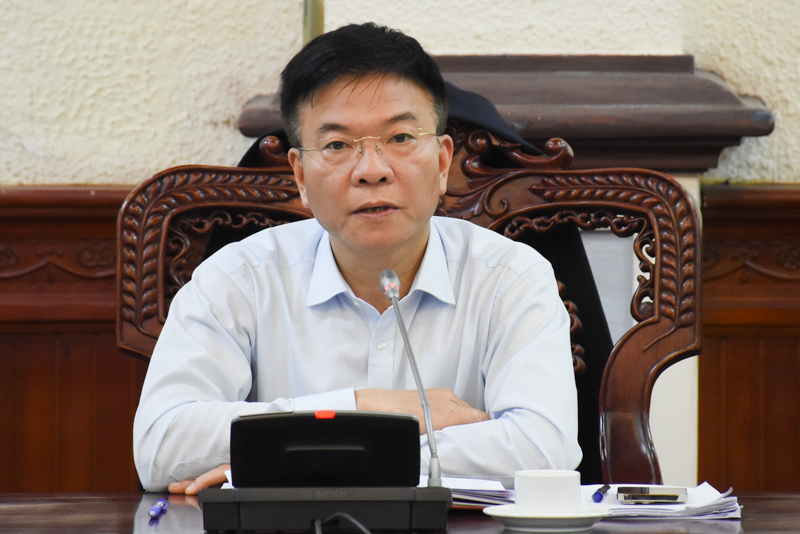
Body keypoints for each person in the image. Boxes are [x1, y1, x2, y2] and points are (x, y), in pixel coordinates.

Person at [133, 22, 582, 494]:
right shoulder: (239, 278)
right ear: (300, 175)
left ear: (442, 161)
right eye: (337, 145)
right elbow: (161, 446)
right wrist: (368, 406)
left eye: (401, 138)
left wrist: (291, 460)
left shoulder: (511, 278)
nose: (372, 170)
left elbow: (542, 450)